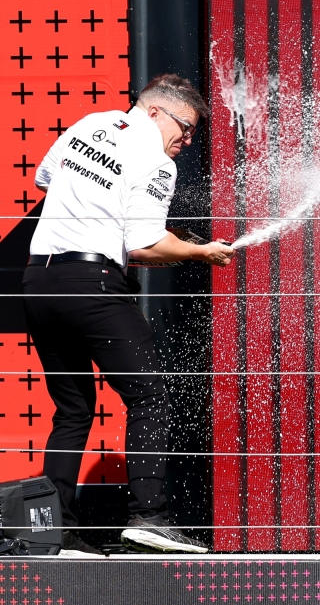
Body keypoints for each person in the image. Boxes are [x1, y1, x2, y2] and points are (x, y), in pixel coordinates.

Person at [23, 74, 235, 555]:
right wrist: (202, 253)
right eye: (185, 128)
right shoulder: (157, 160)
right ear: (156, 111)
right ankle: (149, 518)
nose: (186, 141)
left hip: (38, 282)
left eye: (192, 135)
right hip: (93, 286)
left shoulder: (90, 123)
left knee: (73, 410)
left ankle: (52, 535)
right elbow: (144, 246)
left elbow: (45, 177)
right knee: (150, 395)